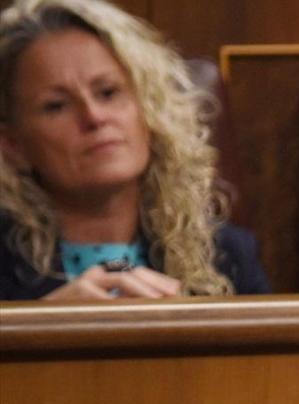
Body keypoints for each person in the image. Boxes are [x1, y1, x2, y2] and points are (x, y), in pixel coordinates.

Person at [0, 0, 268, 300]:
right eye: (56, 106)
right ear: (12, 145)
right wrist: (40, 322)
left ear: (149, 109)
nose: (94, 116)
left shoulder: (227, 254)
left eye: (108, 92)